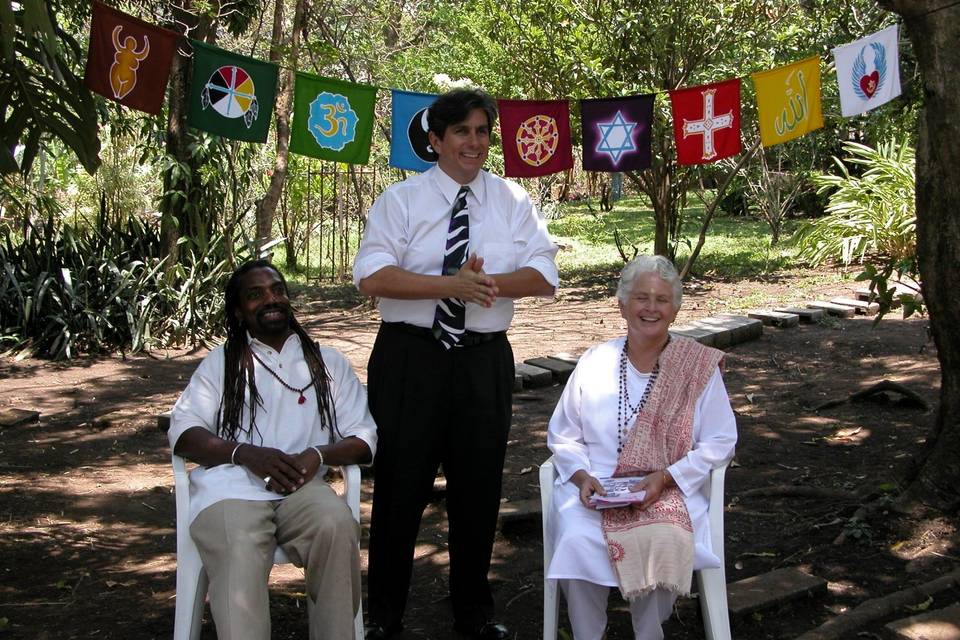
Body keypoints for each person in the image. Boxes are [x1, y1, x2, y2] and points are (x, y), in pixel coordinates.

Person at [353, 87, 559, 640]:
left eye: (482, 132)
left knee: (478, 488)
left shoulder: (513, 200)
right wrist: (451, 285)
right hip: (409, 361)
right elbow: (373, 275)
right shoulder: (400, 201)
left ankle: (474, 614)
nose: (474, 143)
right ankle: (386, 617)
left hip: (481, 364)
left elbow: (544, 275)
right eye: (462, 132)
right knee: (398, 489)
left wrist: (481, 286)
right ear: (436, 140)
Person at [168, 259, 377, 640]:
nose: (271, 299)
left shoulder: (326, 361)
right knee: (239, 544)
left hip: (302, 488)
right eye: (256, 294)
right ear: (238, 310)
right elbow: (183, 432)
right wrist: (245, 454)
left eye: (277, 290)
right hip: (230, 490)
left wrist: (317, 454)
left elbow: (364, 438)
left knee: (335, 525)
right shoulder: (222, 362)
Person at [545, 255, 737, 640]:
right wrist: (582, 477)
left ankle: (649, 632)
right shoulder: (595, 361)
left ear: (676, 310)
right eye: (641, 297)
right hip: (596, 490)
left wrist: (666, 477)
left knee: (662, 535)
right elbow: (564, 435)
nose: (651, 308)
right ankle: (587, 635)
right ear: (621, 305)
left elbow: (721, 441)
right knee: (577, 536)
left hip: (668, 490)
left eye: (662, 299)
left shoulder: (695, 367)